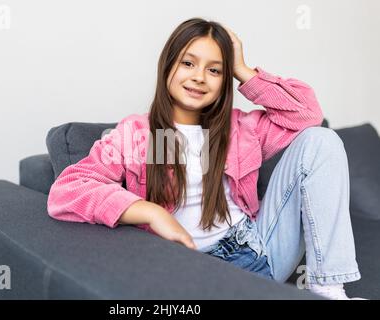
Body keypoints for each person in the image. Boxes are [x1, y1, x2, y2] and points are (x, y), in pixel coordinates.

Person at [47, 18, 363, 300]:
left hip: (257, 250)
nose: (200, 77)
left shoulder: (240, 129)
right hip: (188, 268)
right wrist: (150, 213)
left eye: (214, 70)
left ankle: (328, 289)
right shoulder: (137, 134)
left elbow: (308, 115)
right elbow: (68, 189)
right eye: (188, 63)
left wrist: (243, 69)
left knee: (321, 140)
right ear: (167, 66)